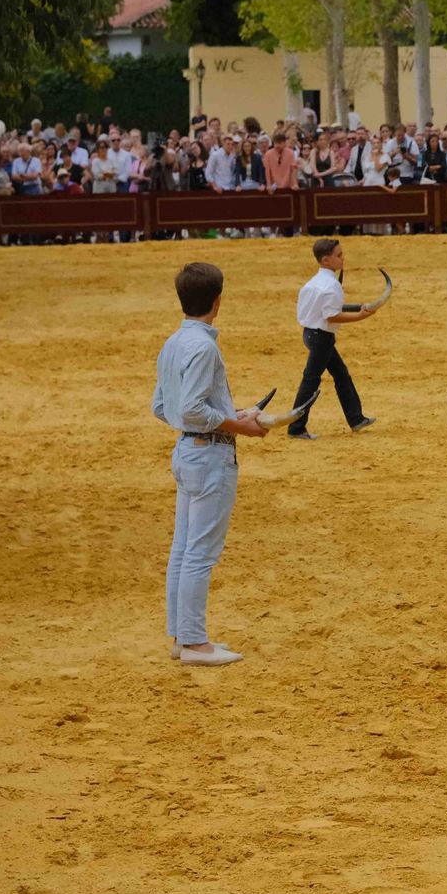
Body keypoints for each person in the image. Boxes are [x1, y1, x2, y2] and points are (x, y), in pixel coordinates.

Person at [150, 262, 270, 667]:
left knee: (183, 549)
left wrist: (231, 412)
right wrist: (241, 425)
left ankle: (182, 638)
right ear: (218, 302)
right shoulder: (204, 347)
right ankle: (196, 643)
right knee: (199, 552)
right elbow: (192, 408)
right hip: (210, 455)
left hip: (186, 451)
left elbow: (164, 408)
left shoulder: (172, 344)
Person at [288, 239, 379, 440]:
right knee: (311, 381)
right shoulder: (331, 286)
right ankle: (295, 428)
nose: (343, 258)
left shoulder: (313, 283)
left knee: (341, 375)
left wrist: (357, 307)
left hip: (310, 334)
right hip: (322, 338)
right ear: (327, 260)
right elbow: (331, 315)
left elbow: (322, 310)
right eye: (339, 256)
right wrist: (360, 316)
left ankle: (356, 419)